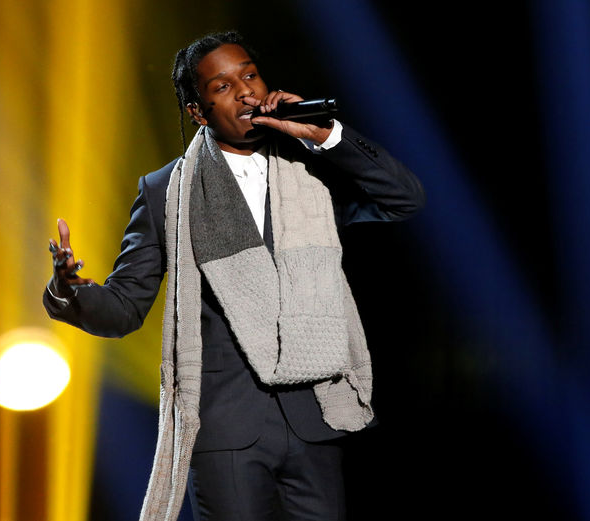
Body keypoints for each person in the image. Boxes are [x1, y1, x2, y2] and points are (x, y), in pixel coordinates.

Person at [44, 31, 424, 521]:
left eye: (249, 75)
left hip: (314, 416)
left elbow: (404, 199)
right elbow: (123, 310)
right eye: (222, 86)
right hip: (227, 429)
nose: (244, 91)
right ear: (198, 113)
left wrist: (325, 136)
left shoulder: (311, 171)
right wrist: (68, 288)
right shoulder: (167, 192)